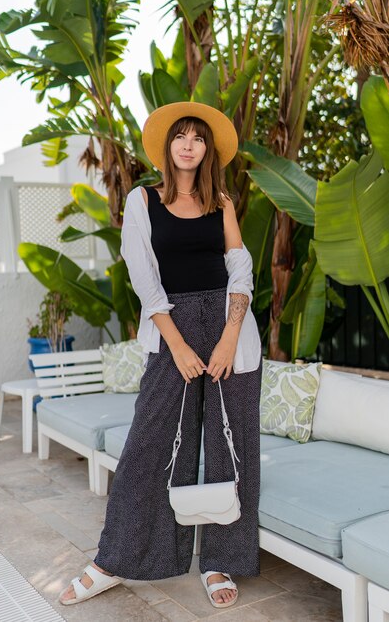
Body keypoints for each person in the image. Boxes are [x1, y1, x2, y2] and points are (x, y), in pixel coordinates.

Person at [59, 101, 262, 609]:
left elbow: (240, 269)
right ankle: (113, 559)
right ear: (168, 147)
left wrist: (229, 336)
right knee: (148, 446)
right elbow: (145, 280)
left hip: (227, 330)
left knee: (229, 447)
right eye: (180, 137)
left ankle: (220, 560)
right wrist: (177, 345)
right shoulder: (143, 200)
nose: (188, 144)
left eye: (197, 137)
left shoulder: (222, 202)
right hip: (170, 329)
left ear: (207, 149)